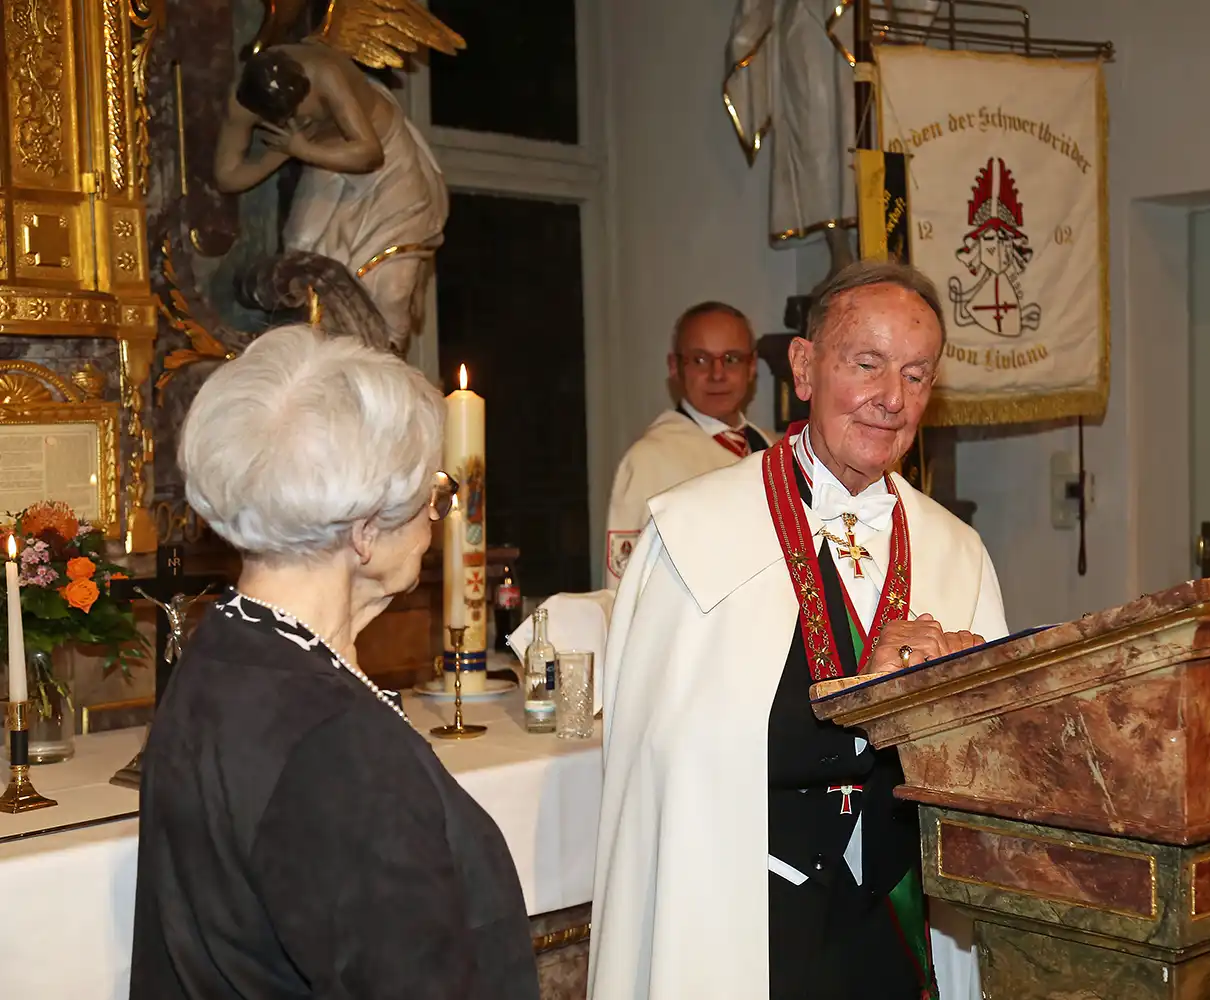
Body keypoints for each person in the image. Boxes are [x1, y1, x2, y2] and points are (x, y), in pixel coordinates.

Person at [590, 261, 1008, 1000]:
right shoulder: (693, 532)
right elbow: (668, 759)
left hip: (891, 922)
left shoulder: (955, 552)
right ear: (805, 368)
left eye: (915, 375)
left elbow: (993, 772)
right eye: (867, 364)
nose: (892, 399)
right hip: (739, 923)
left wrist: (957, 702)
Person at [129, 326, 539, 999]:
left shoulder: (222, 650)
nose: (436, 516)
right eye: (431, 494)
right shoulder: (335, 742)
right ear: (365, 531)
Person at [214, 43, 448, 355]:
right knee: (302, 251)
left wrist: (301, 149)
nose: (290, 120)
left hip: (389, 166)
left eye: (296, 111)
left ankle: (387, 365)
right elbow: (228, 176)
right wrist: (283, 152)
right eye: (279, 118)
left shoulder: (326, 74)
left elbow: (371, 154)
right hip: (326, 161)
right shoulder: (243, 101)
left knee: (390, 290)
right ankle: (318, 360)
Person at [602, 301, 774, 588]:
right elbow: (624, 585)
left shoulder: (771, 448)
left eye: (731, 359)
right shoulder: (648, 460)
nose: (717, 374)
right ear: (675, 367)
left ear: (751, 366)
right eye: (700, 360)